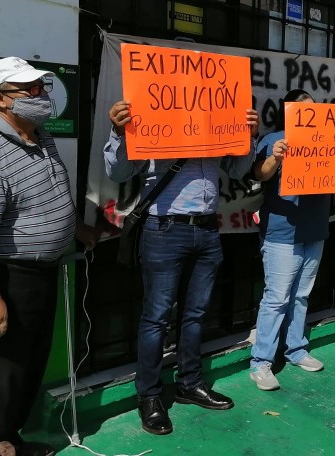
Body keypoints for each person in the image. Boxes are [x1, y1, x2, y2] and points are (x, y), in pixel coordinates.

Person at [0, 57, 98, 456]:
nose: (42, 96)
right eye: (31, 90)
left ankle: (12, 442)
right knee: (2, 368)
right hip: (6, 276)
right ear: (1, 99)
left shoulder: (38, 135)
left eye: (42, 87)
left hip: (40, 271)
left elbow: (48, 195)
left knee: (29, 361)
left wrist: (77, 229)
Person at [105, 99, 259, 435]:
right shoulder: (151, 119)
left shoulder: (219, 122)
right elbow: (118, 172)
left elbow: (235, 171)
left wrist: (249, 136)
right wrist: (119, 132)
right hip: (164, 230)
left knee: (196, 313)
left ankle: (190, 383)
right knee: (156, 317)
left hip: (206, 229)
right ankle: (149, 396)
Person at [249, 89, 331, 391]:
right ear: (290, 113)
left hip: (315, 230)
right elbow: (260, 173)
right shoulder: (274, 140)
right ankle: (261, 362)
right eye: (304, 109)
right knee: (277, 298)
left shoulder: (328, 141)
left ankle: (296, 349)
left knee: (300, 296)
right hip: (282, 233)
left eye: (314, 109)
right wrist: (276, 158)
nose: (311, 114)